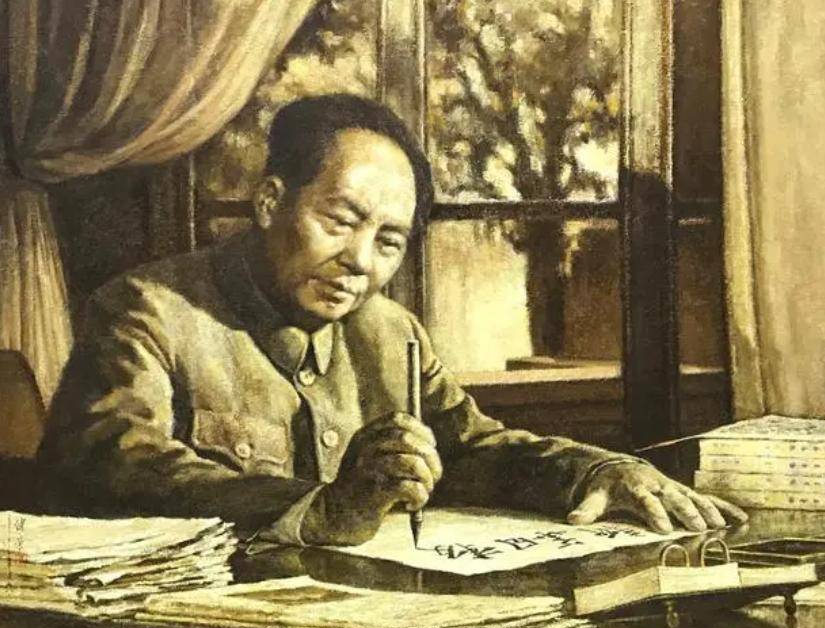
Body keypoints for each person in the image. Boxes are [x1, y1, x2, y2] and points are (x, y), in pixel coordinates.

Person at [38, 94, 747, 546]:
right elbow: (117, 464)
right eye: (339, 220)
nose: (358, 261)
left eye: (389, 241)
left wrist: (594, 469)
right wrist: (317, 509)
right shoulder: (148, 309)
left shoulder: (391, 332)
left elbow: (471, 448)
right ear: (270, 202)